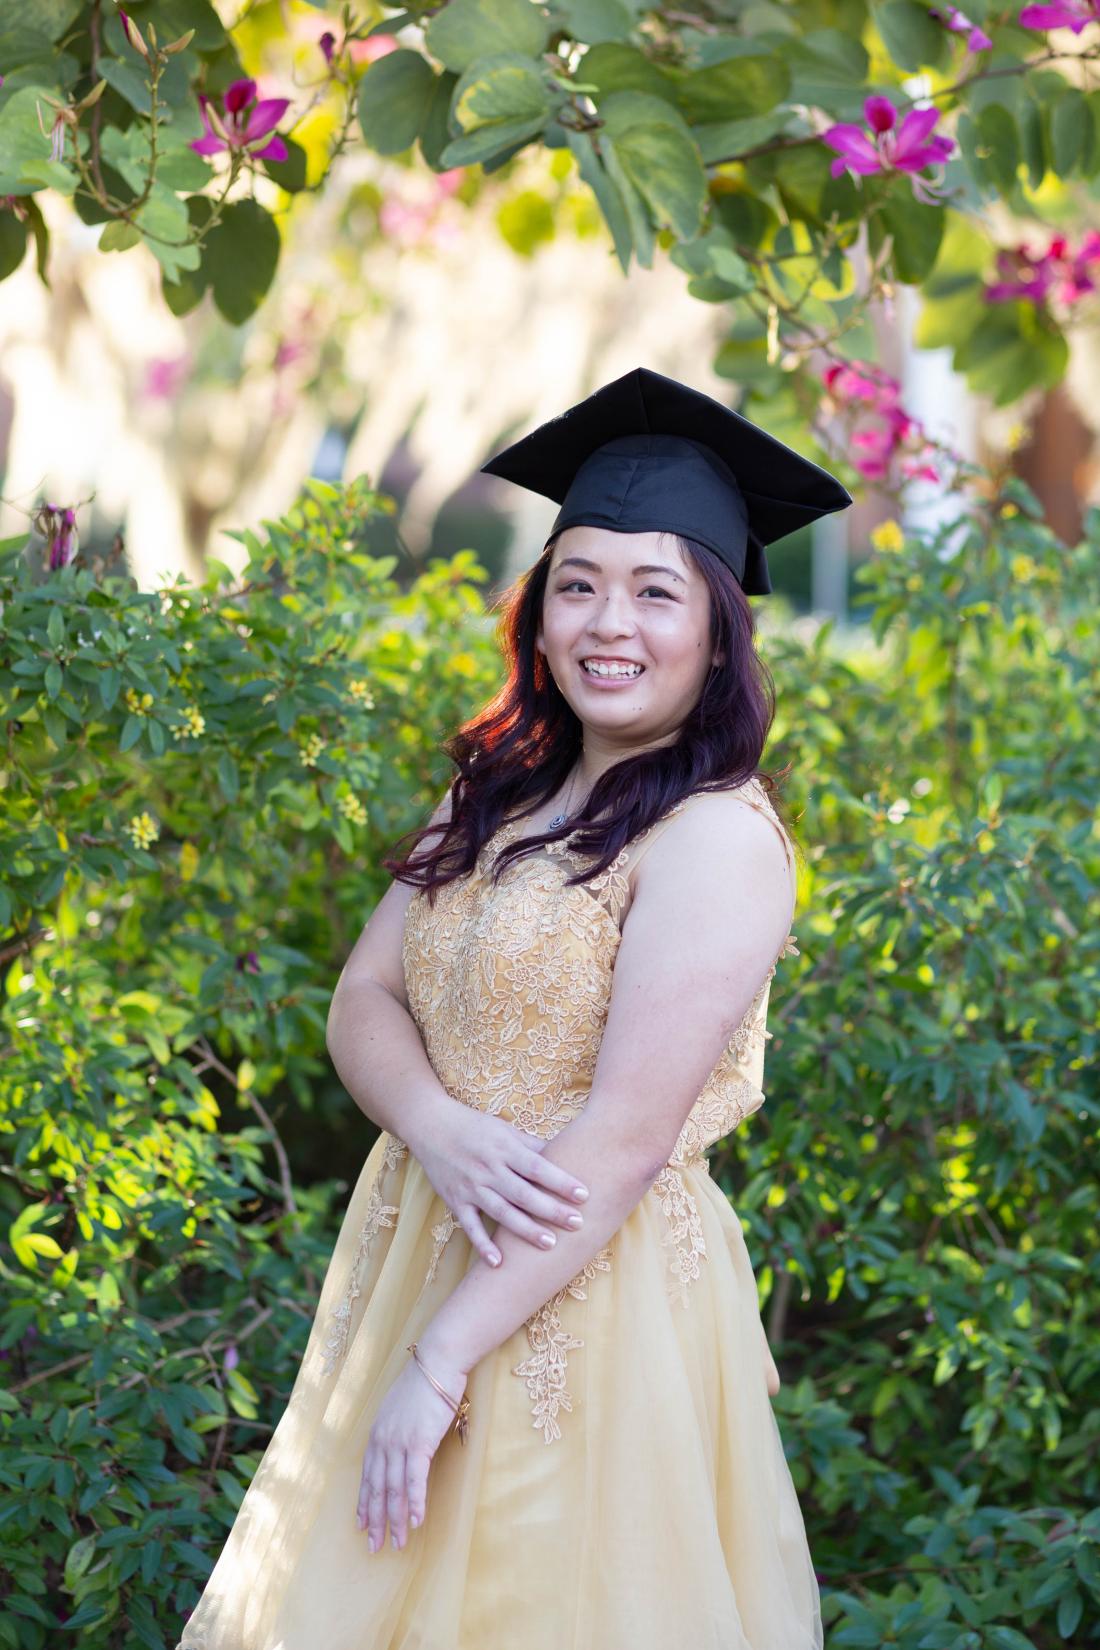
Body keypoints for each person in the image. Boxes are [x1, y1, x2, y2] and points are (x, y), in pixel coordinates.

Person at [173, 365, 853, 1650]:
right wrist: (431, 1122)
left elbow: (621, 1138)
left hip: (580, 1302)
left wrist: (440, 1363)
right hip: (417, 1252)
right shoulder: (497, 792)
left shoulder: (714, 840)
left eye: (657, 592)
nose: (610, 621)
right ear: (536, 613)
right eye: (578, 582)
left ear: (715, 631)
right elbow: (363, 994)